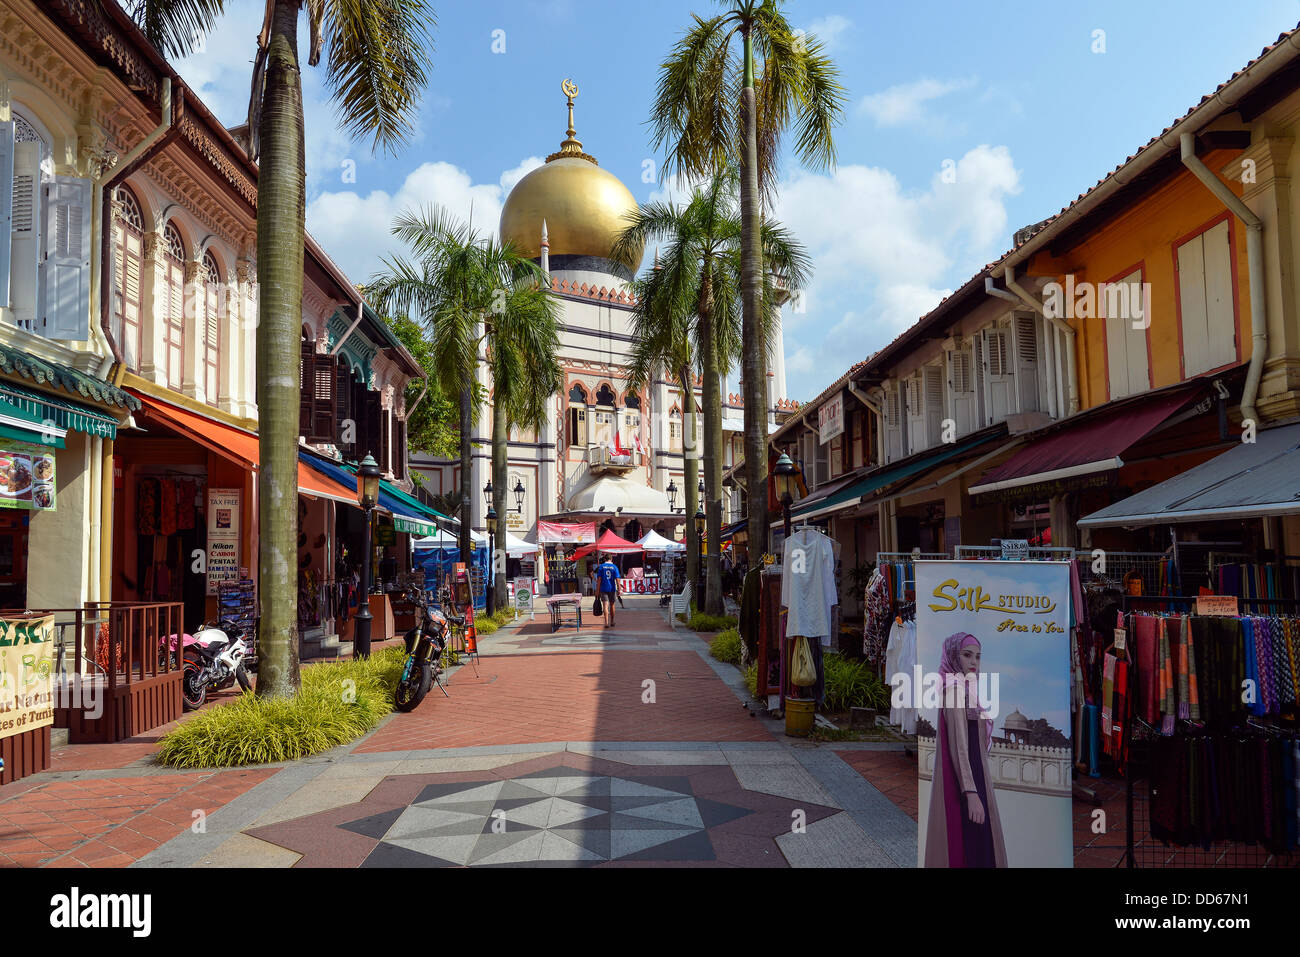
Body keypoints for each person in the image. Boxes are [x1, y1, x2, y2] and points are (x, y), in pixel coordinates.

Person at [924, 632, 1007, 867]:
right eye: (967, 655)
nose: (974, 662)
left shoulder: (965, 690)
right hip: (967, 784)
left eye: (978, 657)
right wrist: (971, 793)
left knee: (979, 847)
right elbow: (959, 747)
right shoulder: (954, 691)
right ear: (953, 656)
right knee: (973, 847)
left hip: (974, 776)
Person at [593, 552, 620, 627]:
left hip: (603, 588)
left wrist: (597, 591)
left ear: (605, 559)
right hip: (612, 588)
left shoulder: (601, 567)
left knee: (605, 605)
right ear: (611, 559)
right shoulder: (614, 567)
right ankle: (612, 621)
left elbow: (599, 580)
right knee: (612, 605)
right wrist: (619, 589)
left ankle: (606, 622)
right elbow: (617, 579)